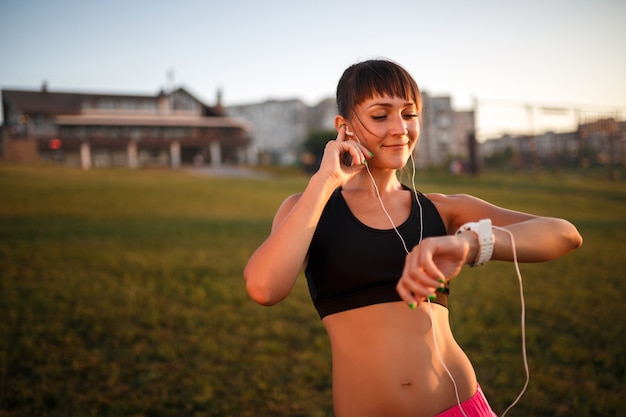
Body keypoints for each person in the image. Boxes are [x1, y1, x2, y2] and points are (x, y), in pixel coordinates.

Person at [244, 59, 582, 417]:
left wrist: (470, 243)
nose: (400, 128)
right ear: (344, 127)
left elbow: (564, 234)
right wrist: (324, 182)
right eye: (380, 116)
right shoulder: (308, 208)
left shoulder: (442, 209)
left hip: (460, 407)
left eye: (409, 114)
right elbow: (264, 288)